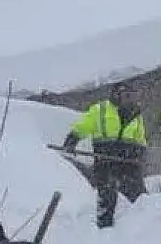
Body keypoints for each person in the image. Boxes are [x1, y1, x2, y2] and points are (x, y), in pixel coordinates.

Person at [61, 82, 148, 228]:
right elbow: (83, 125)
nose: (130, 100)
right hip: (105, 159)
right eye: (127, 96)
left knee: (139, 196)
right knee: (107, 194)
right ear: (116, 95)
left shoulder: (136, 114)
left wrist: (141, 154)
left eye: (132, 96)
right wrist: (73, 139)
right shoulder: (100, 110)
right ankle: (104, 229)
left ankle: (145, 225)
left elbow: (140, 139)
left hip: (129, 161)